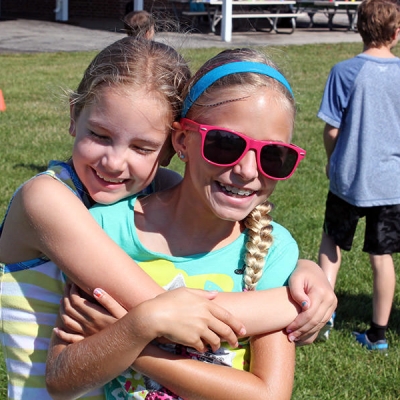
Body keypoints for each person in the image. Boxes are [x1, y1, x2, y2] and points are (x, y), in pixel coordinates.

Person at [0, 37, 335, 399]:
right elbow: (170, 311)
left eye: (143, 147)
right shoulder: (49, 200)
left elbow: (197, 204)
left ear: (167, 148)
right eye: (99, 134)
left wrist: (304, 268)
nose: (115, 162)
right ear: (182, 142)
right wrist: (294, 302)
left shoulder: (149, 190)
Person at [317, 0, 400, 350]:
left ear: (358, 29)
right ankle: (378, 334)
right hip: (391, 184)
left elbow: (332, 130)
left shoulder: (343, 71)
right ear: (397, 34)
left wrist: (332, 160)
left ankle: (320, 315)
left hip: (348, 178)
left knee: (331, 243)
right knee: (381, 257)